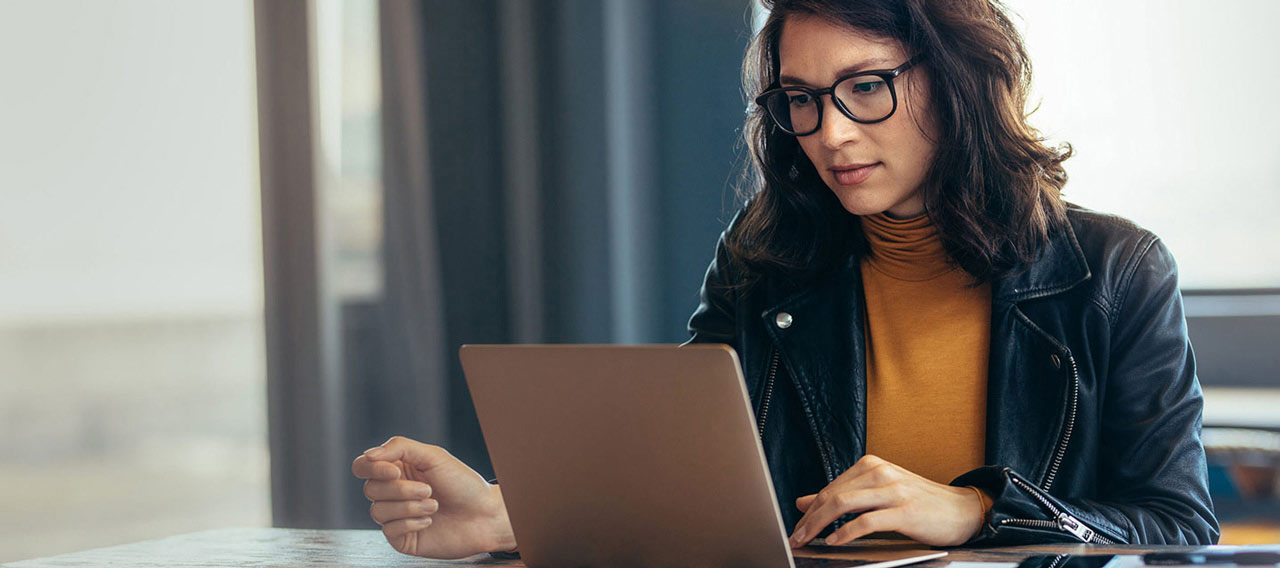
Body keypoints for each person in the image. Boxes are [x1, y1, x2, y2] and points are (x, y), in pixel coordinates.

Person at [351, 0, 1219, 558]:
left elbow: (1180, 529)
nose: (830, 132)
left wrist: (975, 511)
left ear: (958, 81)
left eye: (866, 88)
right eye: (800, 99)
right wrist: (514, 514)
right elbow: (687, 484)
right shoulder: (765, 258)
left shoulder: (1113, 271)